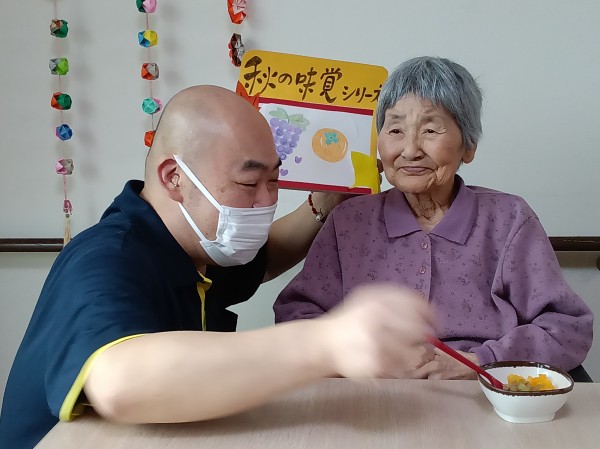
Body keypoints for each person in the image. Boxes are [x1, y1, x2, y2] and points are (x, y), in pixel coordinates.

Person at [0, 85, 435, 449]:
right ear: (174, 178)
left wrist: (324, 204)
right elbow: (119, 382)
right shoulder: (104, 260)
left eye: (274, 180)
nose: (266, 201)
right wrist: (328, 342)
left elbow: (265, 258)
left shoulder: (196, 248)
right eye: (249, 182)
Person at [274, 57, 594, 380]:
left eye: (430, 130)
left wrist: (481, 362)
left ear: (468, 146)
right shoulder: (349, 221)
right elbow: (296, 314)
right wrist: (357, 356)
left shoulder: (508, 219)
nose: (410, 150)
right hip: (371, 392)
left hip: (478, 393)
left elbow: (567, 327)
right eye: (395, 129)